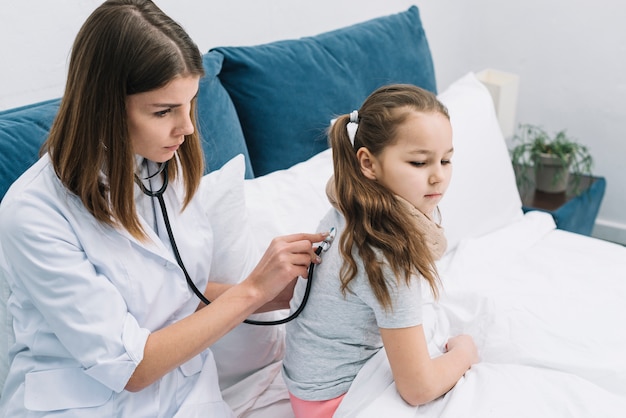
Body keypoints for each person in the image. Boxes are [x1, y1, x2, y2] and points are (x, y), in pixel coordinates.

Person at [0, 1, 327, 416]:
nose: (187, 127)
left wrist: (299, 285)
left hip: (187, 394)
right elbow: (129, 367)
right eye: (163, 111)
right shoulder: (33, 213)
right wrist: (253, 289)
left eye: (189, 104)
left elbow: (178, 295)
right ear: (103, 109)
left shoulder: (159, 168)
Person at [282, 84, 479, 417]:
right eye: (419, 163)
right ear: (368, 164)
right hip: (334, 404)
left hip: (307, 393)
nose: (438, 177)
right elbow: (418, 388)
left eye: (446, 160)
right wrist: (464, 353)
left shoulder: (345, 208)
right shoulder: (386, 253)